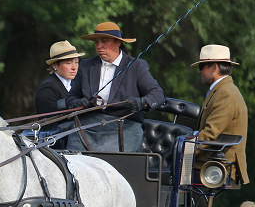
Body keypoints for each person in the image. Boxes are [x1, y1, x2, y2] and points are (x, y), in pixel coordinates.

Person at [64, 21, 165, 152]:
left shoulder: (136, 66)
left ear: (118, 43)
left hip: (124, 127)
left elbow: (158, 94)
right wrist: (78, 103)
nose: (99, 46)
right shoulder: (86, 65)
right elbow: (70, 98)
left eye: (104, 41)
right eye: (96, 42)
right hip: (88, 126)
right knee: (72, 161)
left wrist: (142, 103)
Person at [191, 44, 249, 184]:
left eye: (202, 67)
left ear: (214, 68)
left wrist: (182, 150)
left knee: (168, 175)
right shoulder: (222, 90)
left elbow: (210, 134)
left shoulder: (225, 93)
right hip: (213, 162)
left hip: (218, 167)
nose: (199, 72)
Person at [35, 40, 84, 137]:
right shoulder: (47, 88)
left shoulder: (77, 85)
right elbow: (50, 126)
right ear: (55, 65)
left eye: (76, 62)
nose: (74, 67)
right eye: (69, 63)